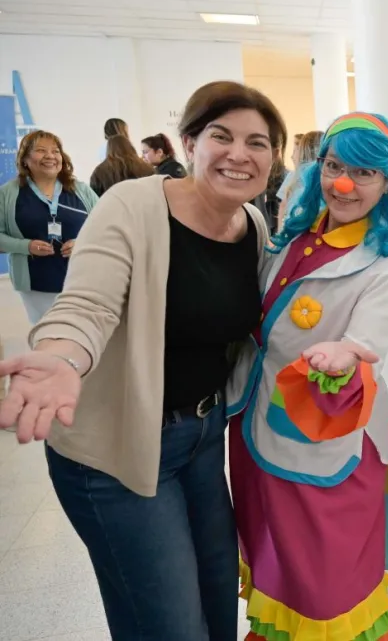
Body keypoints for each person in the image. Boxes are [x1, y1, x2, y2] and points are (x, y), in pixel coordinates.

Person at [0, 81, 285, 641]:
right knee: (169, 626)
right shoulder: (132, 205)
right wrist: (60, 357)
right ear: (189, 144)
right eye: (221, 136)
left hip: (202, 439)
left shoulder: (251, 225)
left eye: (257, 143)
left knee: (218, 605)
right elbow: (88, 302)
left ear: (272, 158)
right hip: (120, 447)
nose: (239, 154)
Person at [228, 111, 388, 641]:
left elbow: (369, 341)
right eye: (334, 167)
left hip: (325, 435)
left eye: (365, 173)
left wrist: (346, 352)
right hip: (257, 424)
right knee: (274, 551)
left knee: (325, 573)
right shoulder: (294, 236)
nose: (344, 184)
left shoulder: (387, 264)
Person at [0, 130, 99, 324]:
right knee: (48, 333)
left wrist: (82, 243)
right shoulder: (8, 193)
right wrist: (26, 246)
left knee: (82, 334)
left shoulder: (80, 190)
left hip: (82, 282)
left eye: (55, 151)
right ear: (25, 159)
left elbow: (105, 228)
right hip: (36, 285)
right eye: (41, 150)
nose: (50, 156)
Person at [276, 129, 323, 231]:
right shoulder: (293, 176)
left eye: (296, 150)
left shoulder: (299, 178)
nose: (292, 156)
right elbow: (283, 206)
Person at [90, 134, 156, 196]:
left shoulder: (99, 172)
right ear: (131, 147)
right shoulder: (147, 168)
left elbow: (95, 199)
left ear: (108, 150)